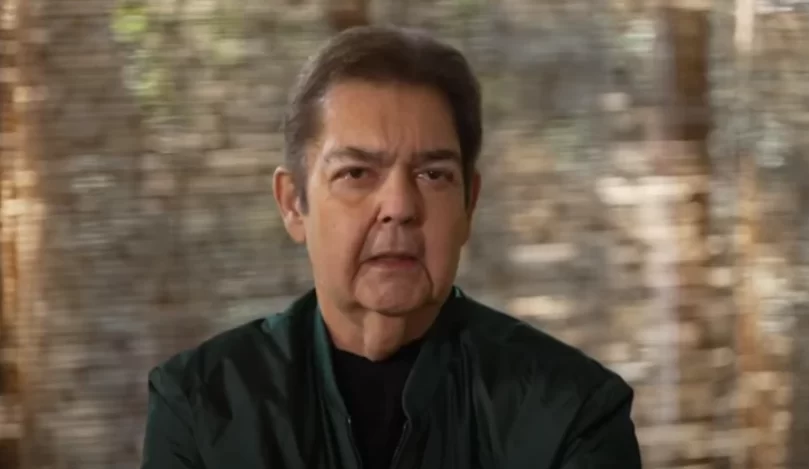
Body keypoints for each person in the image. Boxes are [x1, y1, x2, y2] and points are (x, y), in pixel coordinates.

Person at [140, 25, 641, 469]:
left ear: (469, 204)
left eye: (433, 175)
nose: (399, 207)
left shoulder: (571, 412)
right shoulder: (200, 405)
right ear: (293, 204)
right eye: (356, 173)